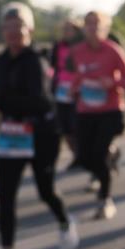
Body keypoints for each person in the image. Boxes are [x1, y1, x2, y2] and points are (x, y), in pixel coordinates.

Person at [0, 3, 80, 249]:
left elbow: (38, 102)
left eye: (19, 26)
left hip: (41, 135)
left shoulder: (37, 61)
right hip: (11, 136)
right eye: (8, 26)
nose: (14, 32)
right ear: (2, 31)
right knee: (5, 195)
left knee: (45, 190)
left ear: (30, 30)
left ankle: (64, 220)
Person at [69, 10, 125, 219]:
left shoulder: (113, 51)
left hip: (110, 111)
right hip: (86, 110)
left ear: (106, 28)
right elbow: (77, 76)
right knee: (82, 158)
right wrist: (74, 88)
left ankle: (105, 200)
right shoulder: (77, 51)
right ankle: (112, 153)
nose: (92, 28)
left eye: (97, 24)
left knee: (98, 155)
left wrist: (113, 83)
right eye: (88, 24)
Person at [50, 18, 83, 169]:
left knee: (78, 127)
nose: (66, 32)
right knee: (65, 128)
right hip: (61, 90)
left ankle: (87, 155)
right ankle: (77, 156)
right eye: (64, 29)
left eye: (69, 29)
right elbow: (53, 66)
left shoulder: (83, 46)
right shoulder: (58, 46)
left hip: (78, 91)